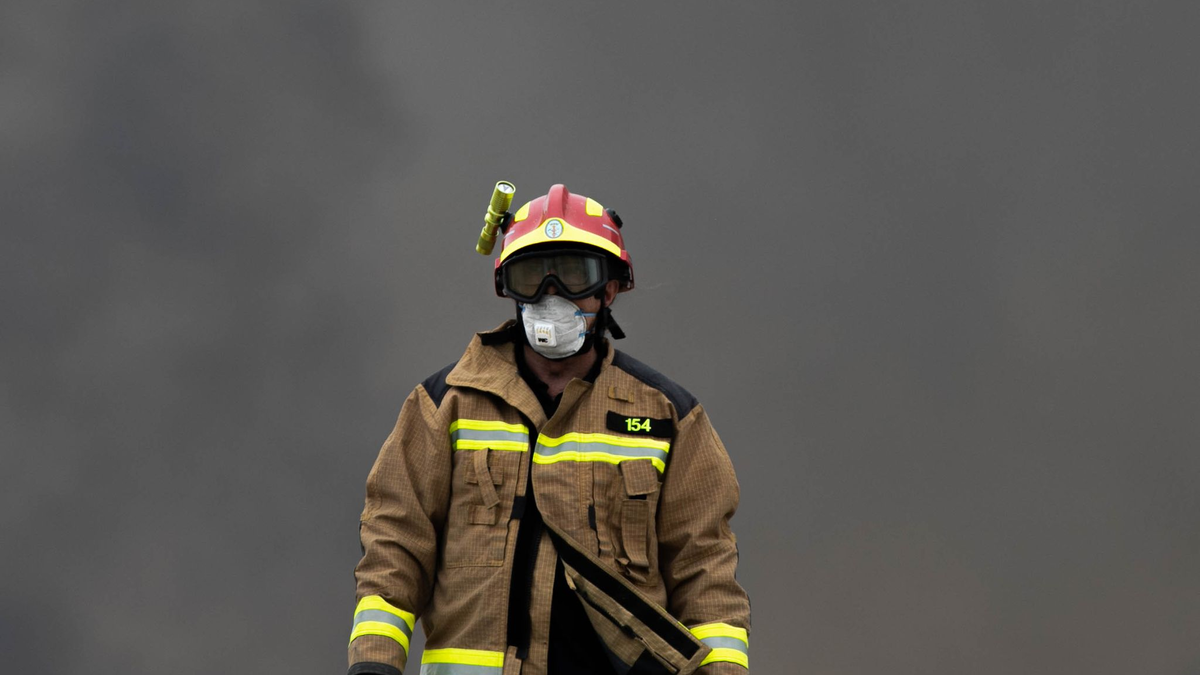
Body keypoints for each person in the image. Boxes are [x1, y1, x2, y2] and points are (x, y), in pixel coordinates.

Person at [346, 184, 751, 675]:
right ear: (507, 287)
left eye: (574, 274)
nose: (550, 294)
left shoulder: (668, 417)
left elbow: (704, 568)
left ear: (610, 288)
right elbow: (396, 543)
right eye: (531, 275)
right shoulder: (445, 406)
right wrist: (374, 664)